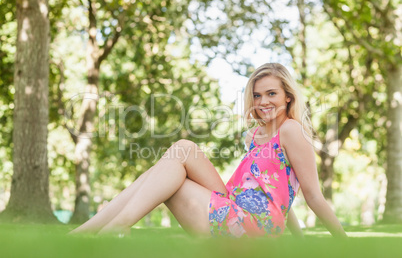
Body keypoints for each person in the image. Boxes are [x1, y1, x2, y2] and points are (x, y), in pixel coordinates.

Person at [70, 63, 347, 238]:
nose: (263, 101)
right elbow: (281, 195)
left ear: (288, 96)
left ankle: (113, 227)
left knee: (175, 163)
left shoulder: (291, 130)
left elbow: (312, 195)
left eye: (272, 94)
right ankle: (89, 231)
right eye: (257, 94)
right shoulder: (255, 135)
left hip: (249, 227)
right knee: (173, 159)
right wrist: (298, 243)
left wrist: (342, 242)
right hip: (238, 209)